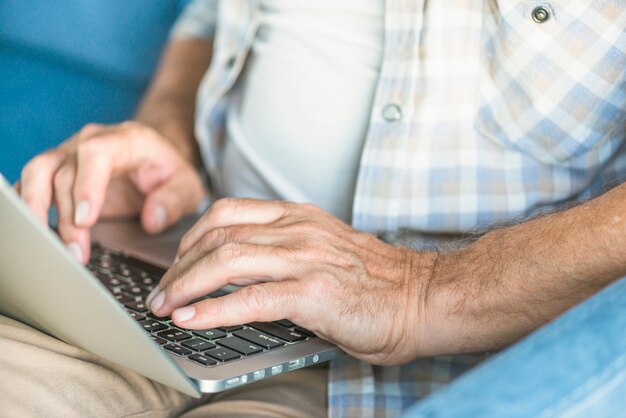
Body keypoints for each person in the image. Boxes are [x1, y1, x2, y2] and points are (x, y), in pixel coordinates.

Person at [4, 0, 626, 416]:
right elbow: (209, 18)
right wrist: (171, 134)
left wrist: (419, 292)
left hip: (395, 369)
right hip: (178, 270)